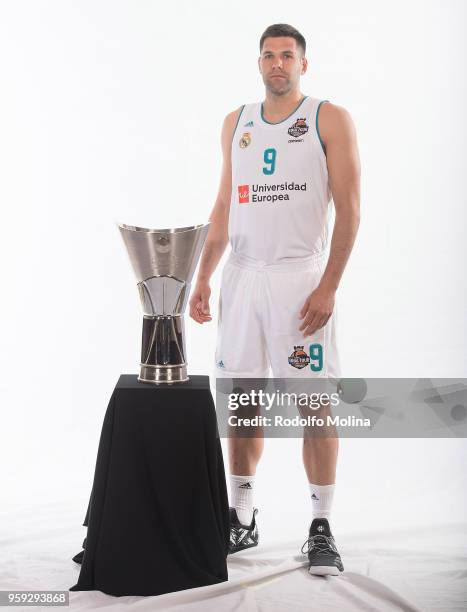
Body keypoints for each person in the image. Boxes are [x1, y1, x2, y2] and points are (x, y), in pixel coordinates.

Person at [189, 23, 360, 576]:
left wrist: (328, 286)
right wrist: (203, 277)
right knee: (241, 403)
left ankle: (321, 526)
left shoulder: (327, 118)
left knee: (314, 404)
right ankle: (242, 516)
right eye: (268, 56)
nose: (277, 64)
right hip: (243, 278)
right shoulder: (235, 123)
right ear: (258, 64)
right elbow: (223, 206)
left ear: (303, 64)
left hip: (298, 279)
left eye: (287, 55)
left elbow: (351, 210)